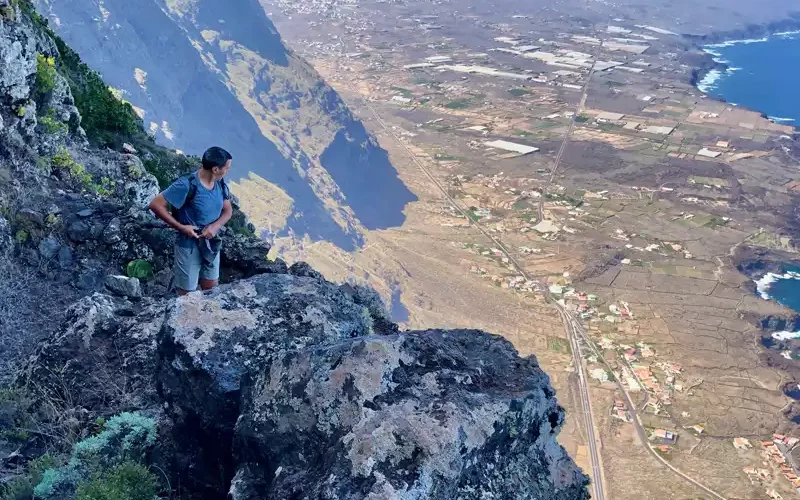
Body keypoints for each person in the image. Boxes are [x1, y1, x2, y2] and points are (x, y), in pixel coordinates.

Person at [149, 146, 233, 295]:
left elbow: (228, 211)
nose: (228, 171)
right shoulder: (187, 184)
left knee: (211, 287)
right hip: (189, 245)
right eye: (226, 168)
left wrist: (214, 227)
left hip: (210, 243)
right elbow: (155, 204)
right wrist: (181, 227)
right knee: (187, 294)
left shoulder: (219, 184)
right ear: (215, 169)